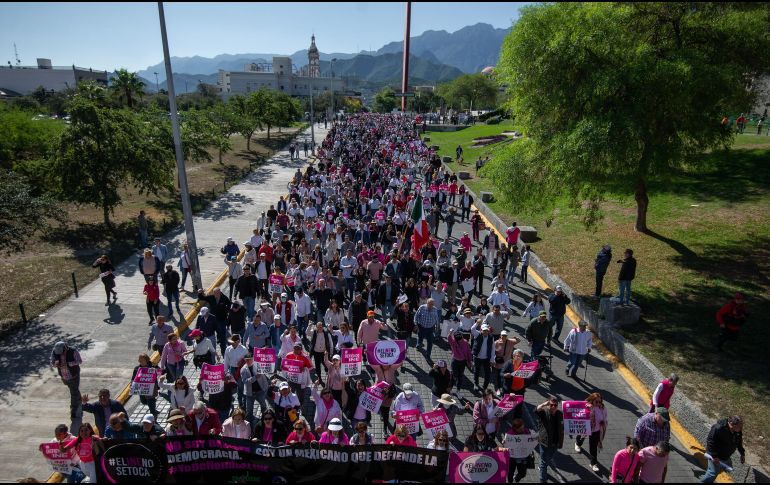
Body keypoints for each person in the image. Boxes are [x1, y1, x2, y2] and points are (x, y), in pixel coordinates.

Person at [700, 416, 745, 483]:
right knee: (712, 473)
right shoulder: (718, 428)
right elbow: (710, 441)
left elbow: (739, 442)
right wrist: (715, 457)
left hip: (725, 456)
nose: (741, 428)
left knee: (725, 468)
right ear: (732, 425)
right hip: (715, 455)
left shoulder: (737, 431)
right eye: (739, 426)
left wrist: (742, 454)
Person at [575, 392, 608, 473]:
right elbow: (580, 417)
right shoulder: (586, 406)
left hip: (596, 430)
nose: (598, 403)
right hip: (586, 428)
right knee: (581, 437)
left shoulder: (603, 408)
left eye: (600, 402)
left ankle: (593, 463)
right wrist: (588, 410)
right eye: (596, 402)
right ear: (592, 400)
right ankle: (578, 444)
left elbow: (605, 418)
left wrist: (604, 422)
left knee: (593, 447)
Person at [50, 341, 83, 420]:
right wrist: (55, 364)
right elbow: (51, 362)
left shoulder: (73, 351)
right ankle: (80, 400)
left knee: (73, 393)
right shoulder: (55, 351)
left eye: (62, 352)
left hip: (73, 376)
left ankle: (73, 410)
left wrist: (69, 364)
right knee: (74, 391)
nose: (60, 354)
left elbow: (79, 361)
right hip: (64, 377)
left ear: (66, 348)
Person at [535, 397, 564, 484]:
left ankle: (541, 467)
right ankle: (542, 479)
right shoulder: (544, 413)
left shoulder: (560, 414)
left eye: (555, 405)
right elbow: (536, 410)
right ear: (548, 405)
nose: (553, 407)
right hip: (545, 441)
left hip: (555, 442)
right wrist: (544, 404)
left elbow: (572, 419)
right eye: (551, 405)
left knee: (549, 458)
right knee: (544, 462)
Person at [131, 353, 161, 418]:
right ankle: (153, 405)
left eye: (141, 359)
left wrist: (156, 367)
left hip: (151, 388)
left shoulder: (152, 367)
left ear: (146, 360)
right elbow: (133, 378)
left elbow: (160, 372)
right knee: (143, 401)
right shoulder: (137, 368)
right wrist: (132, 385)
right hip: (141, 389)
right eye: (139, 359)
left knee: (150, 401)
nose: (139, 361)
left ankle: (153, 414)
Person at [504, 418, 534, 483]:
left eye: (523, 427)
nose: (523, 430)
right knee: (510, 473)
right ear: (515, 428)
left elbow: (530, 440)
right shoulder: (510, 433)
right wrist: (504, 441)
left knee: (522, 473)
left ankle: (517, 478)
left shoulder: (526, 431)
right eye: (520, 429)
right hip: (512, 457)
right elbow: (506, 443)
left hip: (522, 457)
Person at [471, 322, 495, 391]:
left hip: (486, 358)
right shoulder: (477, 334)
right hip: (477, 357)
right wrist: (477, 323)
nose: (485, 332)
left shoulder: (491, 337)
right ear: (481, 330)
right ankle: (476, 383)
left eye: (487, 330)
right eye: (484, 330)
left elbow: (493, 348)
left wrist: (492, 359)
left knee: (487, 373)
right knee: (476, 371)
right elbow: (472, 329)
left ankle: (485, 386)